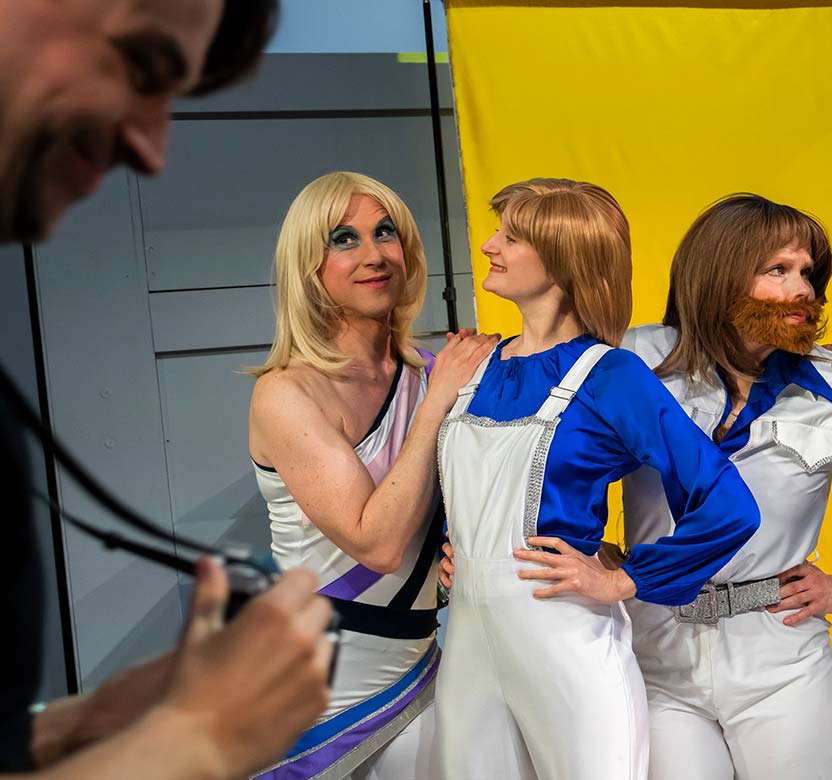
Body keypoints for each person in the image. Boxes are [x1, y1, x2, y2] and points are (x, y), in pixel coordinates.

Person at [0, 1, 336, 778]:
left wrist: (81, 726)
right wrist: (199, 740)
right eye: (141, 66)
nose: (151, 150)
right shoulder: (283, 395)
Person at [618, 194, 832, 779]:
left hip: (782, 661)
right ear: (719, 275)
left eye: (808, 274)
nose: (805, 290)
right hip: (655, 662)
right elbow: (553, 458)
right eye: (779, 270)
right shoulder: (636, 361)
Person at [434, 178, 759, 780]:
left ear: (564, 259)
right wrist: (453, 552)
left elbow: (729, 504)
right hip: (466, 641)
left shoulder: (611, 375)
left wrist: (625, 579)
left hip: (564, 644)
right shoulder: (475, 367)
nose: (487, 245)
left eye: (510, 236)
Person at [247, 171, 494, 779]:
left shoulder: (434, 372)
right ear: (308, 267)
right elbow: (377, 541)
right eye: (343, 239)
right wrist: (438, 401)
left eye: (385, 232)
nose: (374, 253)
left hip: (425, 664)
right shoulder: (286, 392)